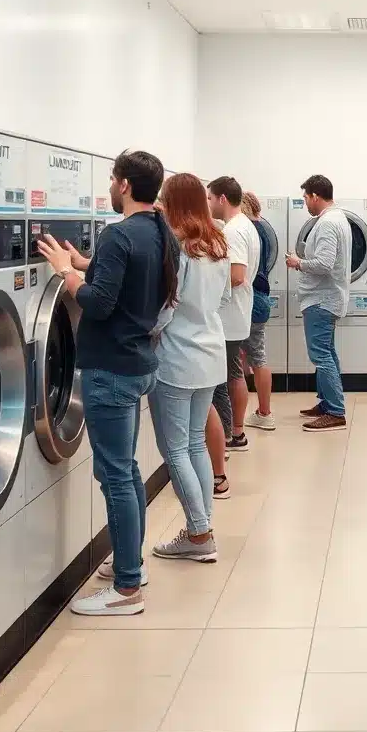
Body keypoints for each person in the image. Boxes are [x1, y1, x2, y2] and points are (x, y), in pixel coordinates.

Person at [38, 149, 179, 615]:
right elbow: (128, 283)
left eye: (111, 178)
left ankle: (125, 589)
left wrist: (65, 273)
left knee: (115, 475)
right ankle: (129, 562)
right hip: (139, 362)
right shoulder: (161, 232)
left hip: (110, 369)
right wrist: (82, 261)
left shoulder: (119, 234)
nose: (109, 185)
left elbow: (98, 303)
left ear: (122, 185)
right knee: (126, 472)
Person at [146, 173, 231, 563]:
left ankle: (199, 533)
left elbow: (167, 307)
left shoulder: (176, 246)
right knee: (194, 441)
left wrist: (149, 333)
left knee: (175, 448)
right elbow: (225, 297)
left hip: (178, 357)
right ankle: (201, 528)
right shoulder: (217, 243)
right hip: (211, 352)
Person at [285, 174, 351, 432]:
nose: (305, 204)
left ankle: (335, 411)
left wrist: (297, 262)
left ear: (315, 195)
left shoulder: (326, 223)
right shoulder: (339, 218)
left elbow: (324, 264)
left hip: (321, 300)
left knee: (321, 355)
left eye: (305, 198)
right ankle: (327, 403)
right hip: (328, 297)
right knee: (328, 353)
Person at [206, 177, 260, 454]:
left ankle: (226, 435)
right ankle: (236, 432)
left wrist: (206, 279)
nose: (209, 204)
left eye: (210, 199)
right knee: (235, 374)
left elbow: (236, 276)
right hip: (238, 314)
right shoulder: (244, 226)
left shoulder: (234, 232)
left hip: (229, 316)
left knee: (222, 381)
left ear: (222, 199)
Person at [239, 191, 276, 431]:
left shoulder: (243, 231)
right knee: (250, 357)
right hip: (261, 297)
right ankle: (262, 412)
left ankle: (263, 414)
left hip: (249, 298)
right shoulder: (261, 230)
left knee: (248, 359)